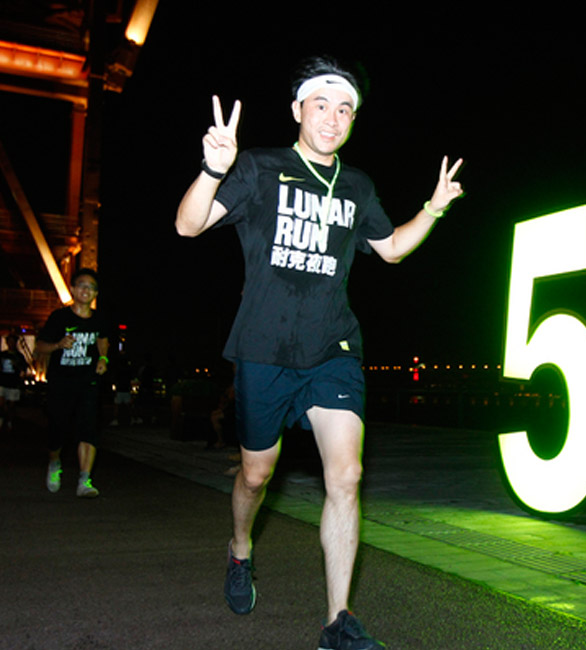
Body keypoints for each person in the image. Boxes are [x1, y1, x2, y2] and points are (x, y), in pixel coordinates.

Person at [175, 55, 463, 649]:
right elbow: (188, 226)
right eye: (321, 105)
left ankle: (338, 622)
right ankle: (239, 548)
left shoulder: (357, 186)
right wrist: (212, 169)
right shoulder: (260, 168)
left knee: (347, 475)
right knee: (255, 475)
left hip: (334, 348)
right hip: (264, 348)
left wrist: (433, 208)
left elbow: (391, 249)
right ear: (297, 110)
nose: (333, 118)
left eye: (345, 110)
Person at [35, 268, 110, 497]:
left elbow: (103, 340)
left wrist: (103, 359)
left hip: (87, 382)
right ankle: (54, 463)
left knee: (88, 430)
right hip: (61, 382)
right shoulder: (59, 318)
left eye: (92, 287)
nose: (87, 290)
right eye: (82, 285)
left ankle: (84, 481)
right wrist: (58, 345)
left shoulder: (99, 319)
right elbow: (40, 346)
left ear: (95, 293)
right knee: (57, 430)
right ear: (73, 289)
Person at [0, 332, 28, 433]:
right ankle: (2, 420)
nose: (11, 343)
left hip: (13, 383)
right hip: (2, 382)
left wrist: (17, 365)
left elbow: (24, 369)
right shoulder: (2, 355)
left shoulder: (19, 356)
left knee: (11, 405)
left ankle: (9, 421)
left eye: (13, 341)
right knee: (1, 403)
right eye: (9, 341)